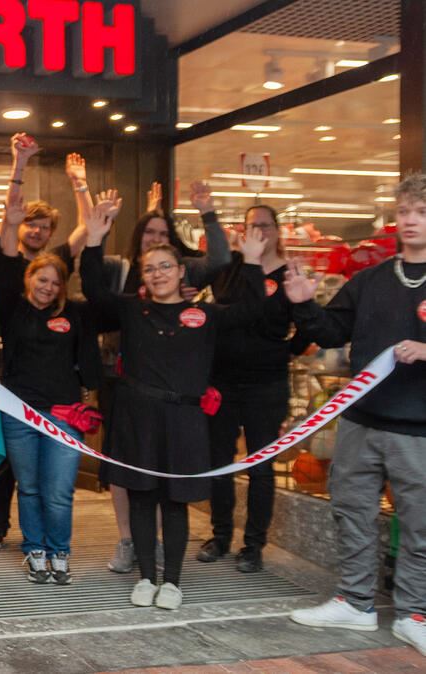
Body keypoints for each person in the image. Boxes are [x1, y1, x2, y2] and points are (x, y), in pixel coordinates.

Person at [79, 187, 268, 611]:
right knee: (142, 498)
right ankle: (147, 577)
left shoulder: (204, 315)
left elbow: (252, 312)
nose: (158, 273)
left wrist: (253, 263)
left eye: (166, 266)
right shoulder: (132, 310)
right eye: (150, 269)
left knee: (175, 501)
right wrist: (93, 240)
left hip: (184, 419)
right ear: (142, 276)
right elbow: (94, 289)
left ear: (182, 272)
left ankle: (173, 582)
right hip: (138, 415)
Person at [287, 173, 426, 656]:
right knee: (351, 513)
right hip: (361, 420)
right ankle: (355, 602)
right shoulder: (370, 280)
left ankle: (415, 613)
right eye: (404, 211)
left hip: (419, 430)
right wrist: (304, 305)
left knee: (420, 524)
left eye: (421, 212)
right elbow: (330, 333)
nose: (410, 220)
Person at [98, 180, 233, 574]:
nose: (155, 239)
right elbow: (94, 289)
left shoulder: (184, 279)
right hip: (124, 382)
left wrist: (207, 212)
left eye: (162, 234)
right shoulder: (121, 269)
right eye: (149, 233)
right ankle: (128, 539)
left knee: (166, 477)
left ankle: (154, 543)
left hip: (173, 390)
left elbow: (220, 259)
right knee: (127, 470)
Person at [0, 191, 106, 584]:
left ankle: (60, 551)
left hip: (63, 415)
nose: (48, 287)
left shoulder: (74, 313)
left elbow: (98, 294)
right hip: (19, 414)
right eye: (42, 279)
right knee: (29, 487)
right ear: (29, 279)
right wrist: (10, 221)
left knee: (58, 491)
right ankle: (35, 550)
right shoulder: (13, 307)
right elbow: (7, 260)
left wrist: (94, 233)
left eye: (55, 283)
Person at [0, 141, 89, 553]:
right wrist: (19, 164)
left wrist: (80, 185)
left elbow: (86, 231)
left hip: (56, 393)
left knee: (49, 479)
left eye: (44, 227)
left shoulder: (56, 263)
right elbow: (8, 228)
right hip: (15, 384)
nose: (37, 231)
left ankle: (51, 547)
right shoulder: (11, 273)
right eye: (31, 224)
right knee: (10, 461)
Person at [198, 204, 303, 572]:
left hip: (266, 385)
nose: (258, 231)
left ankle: (253, 545)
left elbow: (301, 323)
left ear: (278, 230)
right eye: (251, 225)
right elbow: (228, 313)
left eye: (265, 225)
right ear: (242, 231)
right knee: (219, 464)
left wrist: (285, 351)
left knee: (261, 467)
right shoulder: (229, 270)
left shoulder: (290, 274)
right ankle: (221, 536)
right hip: (223, 383)